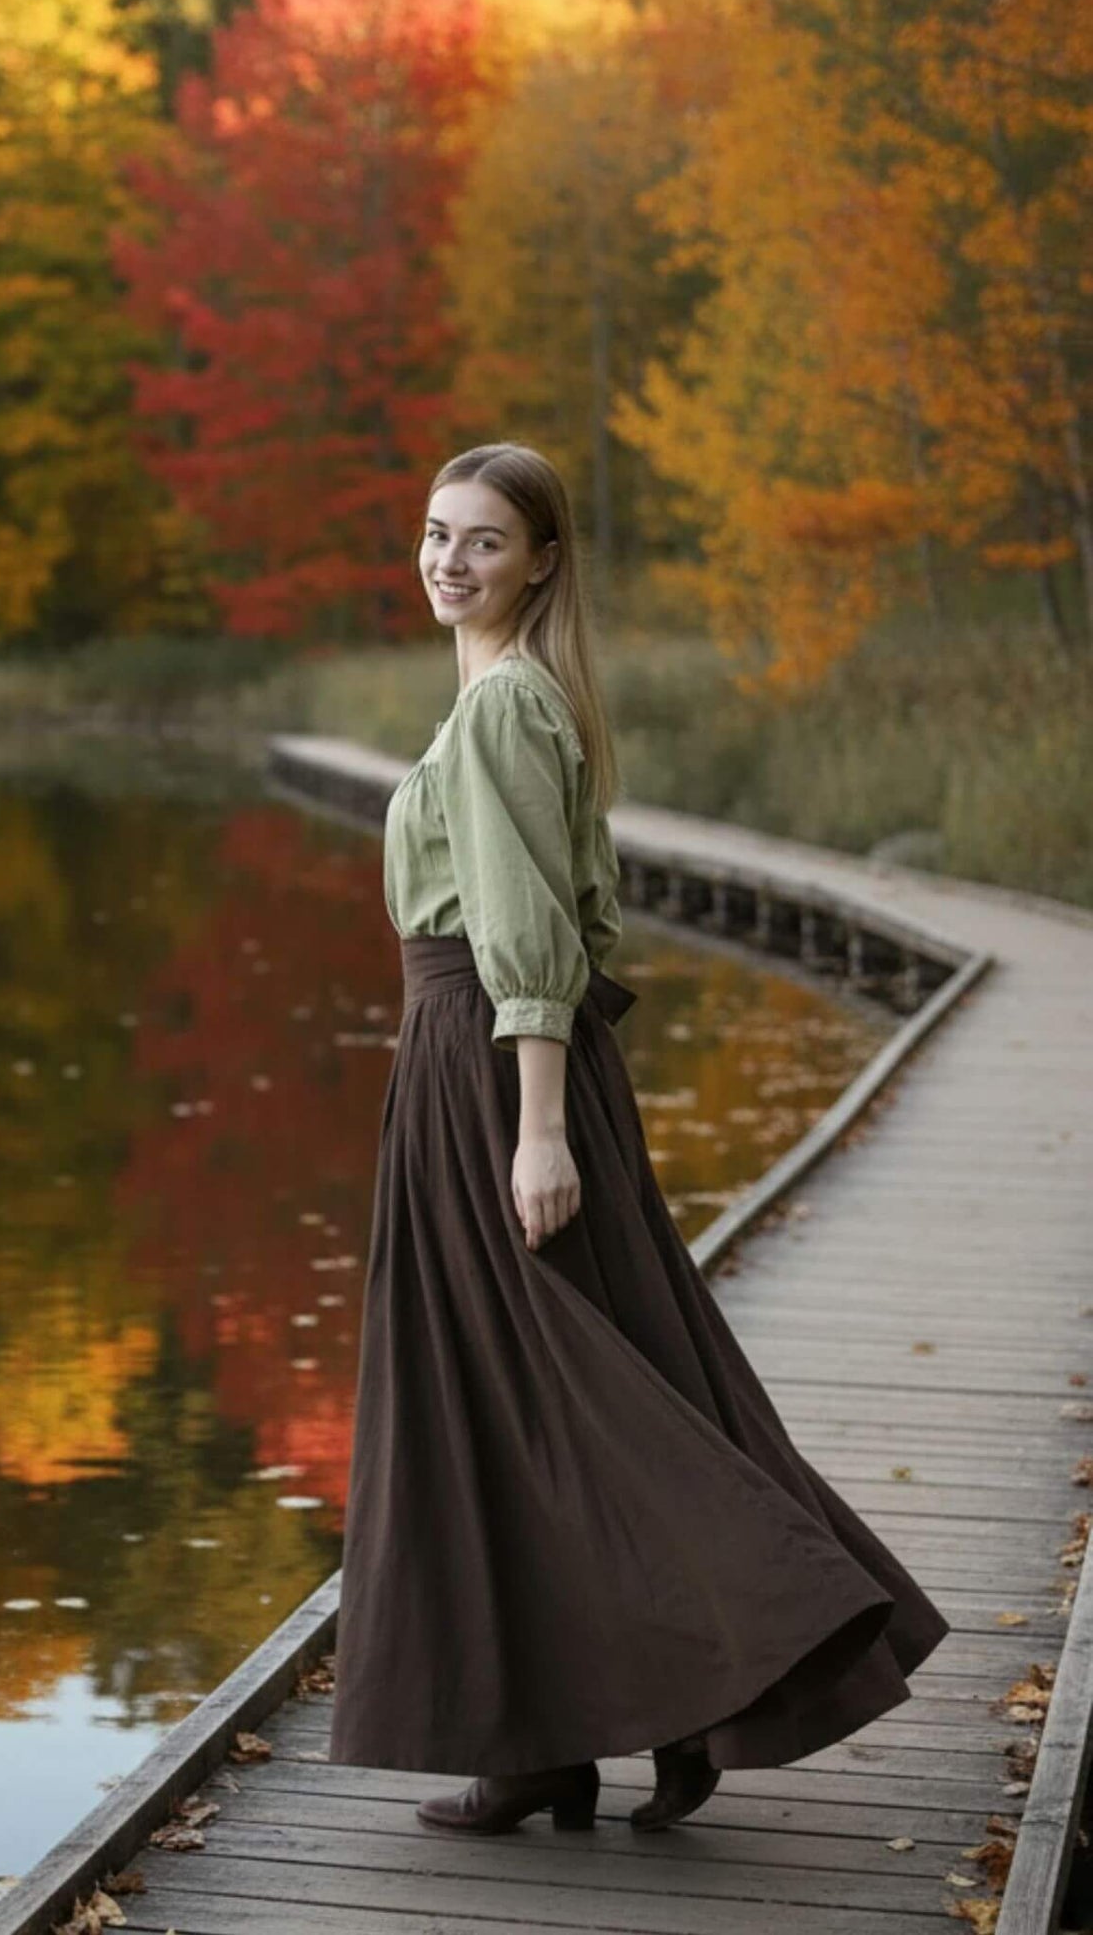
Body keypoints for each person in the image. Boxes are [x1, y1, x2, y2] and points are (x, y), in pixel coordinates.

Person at [324, 441, 949, 1835]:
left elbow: (525, 942)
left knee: (543, 1393)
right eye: (435, 534)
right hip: (507, 1062)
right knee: (577, 1384)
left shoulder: (498, 715)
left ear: (540, 560)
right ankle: (590, 1731)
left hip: (492, 1066)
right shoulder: (517, 697)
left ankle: (726, 1652)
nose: (448, 560)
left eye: (483, 540)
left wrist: (538, 1131)